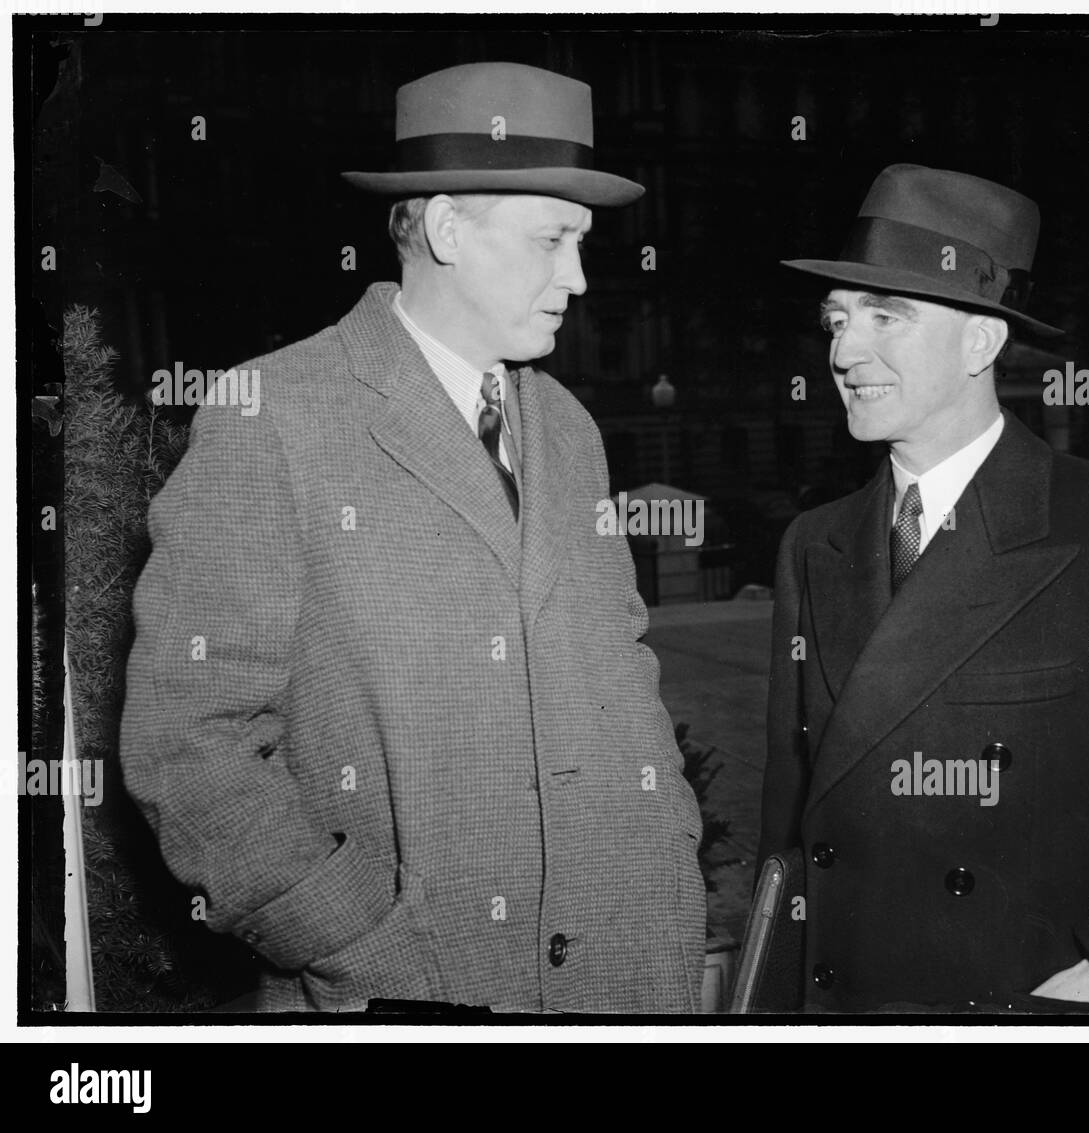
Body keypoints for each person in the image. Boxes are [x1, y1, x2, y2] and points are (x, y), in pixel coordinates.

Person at [120, 62, 706, 1013]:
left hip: (630, 980)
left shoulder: (567, 426)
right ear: (443, 229)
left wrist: (670, 865)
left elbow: (622, 670)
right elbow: (189, 742)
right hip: (405, 991)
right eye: (554, 241)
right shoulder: (269, 416)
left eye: (584, 244)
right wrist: (341, 931)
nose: (581, 278)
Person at [757, 164, 1089, 1013]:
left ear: (982, 341)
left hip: (1030, 1003)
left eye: (887, 315)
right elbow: (788, 822)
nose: (844, 352)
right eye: (835, 319)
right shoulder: (814, 544)